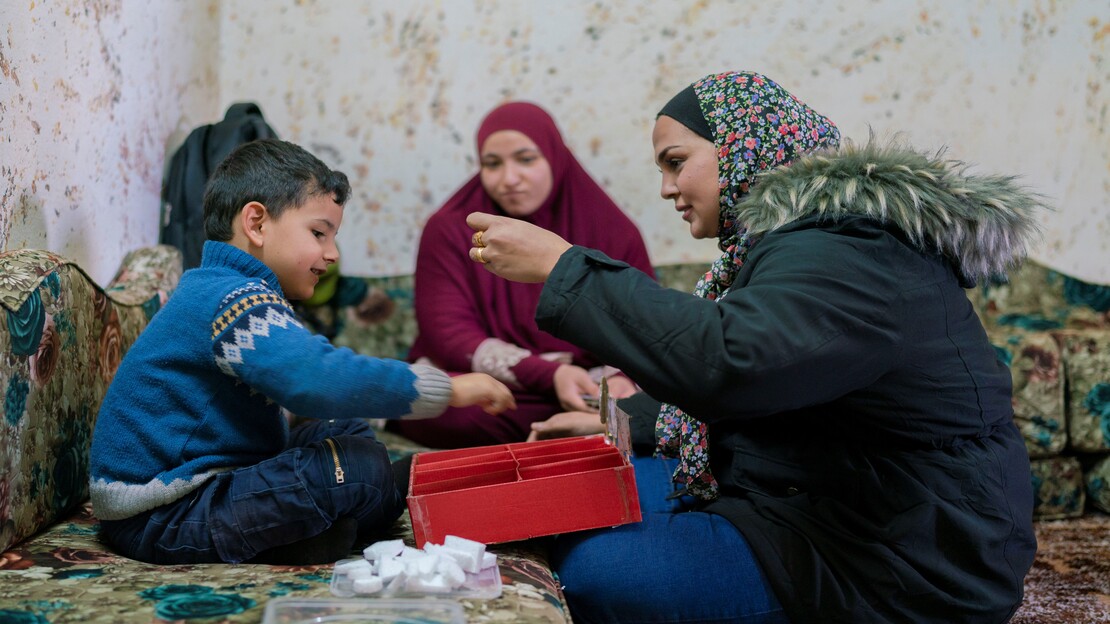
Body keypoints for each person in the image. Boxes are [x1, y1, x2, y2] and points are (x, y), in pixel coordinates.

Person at [464, 71, 1042, 623]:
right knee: (588, 494)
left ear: (744, 146)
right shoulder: (807, 241)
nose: (666, 188)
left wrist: (564, 267)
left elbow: (735, 364)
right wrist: (619, 423)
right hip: (828, 502)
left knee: (597, 569)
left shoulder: (847, 250)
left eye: (676, 163)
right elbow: (776, 382)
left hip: (906, 559)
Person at [88, 139, 514, 566]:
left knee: (345, 431)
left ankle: (340, 513)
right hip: (162, 512)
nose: (331, 254)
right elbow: (314, 379)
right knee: (355, 468)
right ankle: (369, 496)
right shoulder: (233, 301)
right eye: (318, 233)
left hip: (207, 482)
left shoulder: (232, 289)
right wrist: (448, 389)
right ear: (256, 223)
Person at [390, 101, 655, 448]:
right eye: (492, 164)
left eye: (526, 159)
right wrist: (551, 375)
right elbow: (448, 335)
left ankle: (581, 425)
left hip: (584, 387)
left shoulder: (612, 231)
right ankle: (577, 432)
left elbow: (643, 325)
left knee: (664, 406)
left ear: (554, 157)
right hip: (491, 386)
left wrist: (621, 378)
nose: (509, 179)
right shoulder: (452, 228)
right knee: (457, 411)